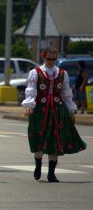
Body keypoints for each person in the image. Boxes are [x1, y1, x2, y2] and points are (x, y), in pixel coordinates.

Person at [22, 47, 86, 183]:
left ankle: (51, 173)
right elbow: (31, 90)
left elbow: (67, 93)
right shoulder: (35, 72)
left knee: (55, 140)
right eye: (48, 59)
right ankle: (38, 166)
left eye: (53, 59)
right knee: (38, 139)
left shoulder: (62, 73)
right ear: (43, 58)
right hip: (40, 110)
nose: (51, 62)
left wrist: (71, 110)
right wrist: (29, 106)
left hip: (58, 110)